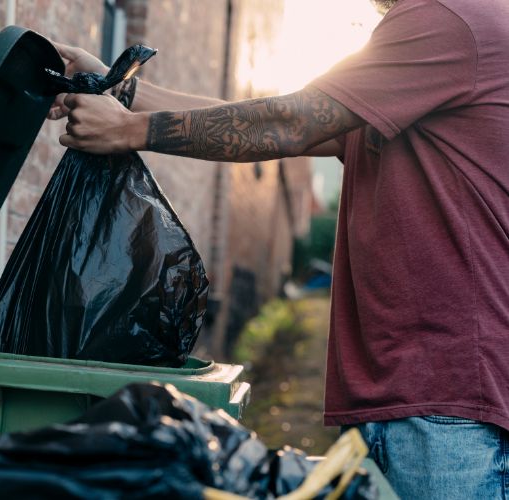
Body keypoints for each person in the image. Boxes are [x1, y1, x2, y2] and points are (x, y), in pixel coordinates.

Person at [48, 0, 509, 496]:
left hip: (450, 395)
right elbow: (278, 118)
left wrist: (128, 131)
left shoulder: (450, 18)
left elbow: (292, 122)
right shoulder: (443, 37)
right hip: (419, 390)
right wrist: (120, 89)